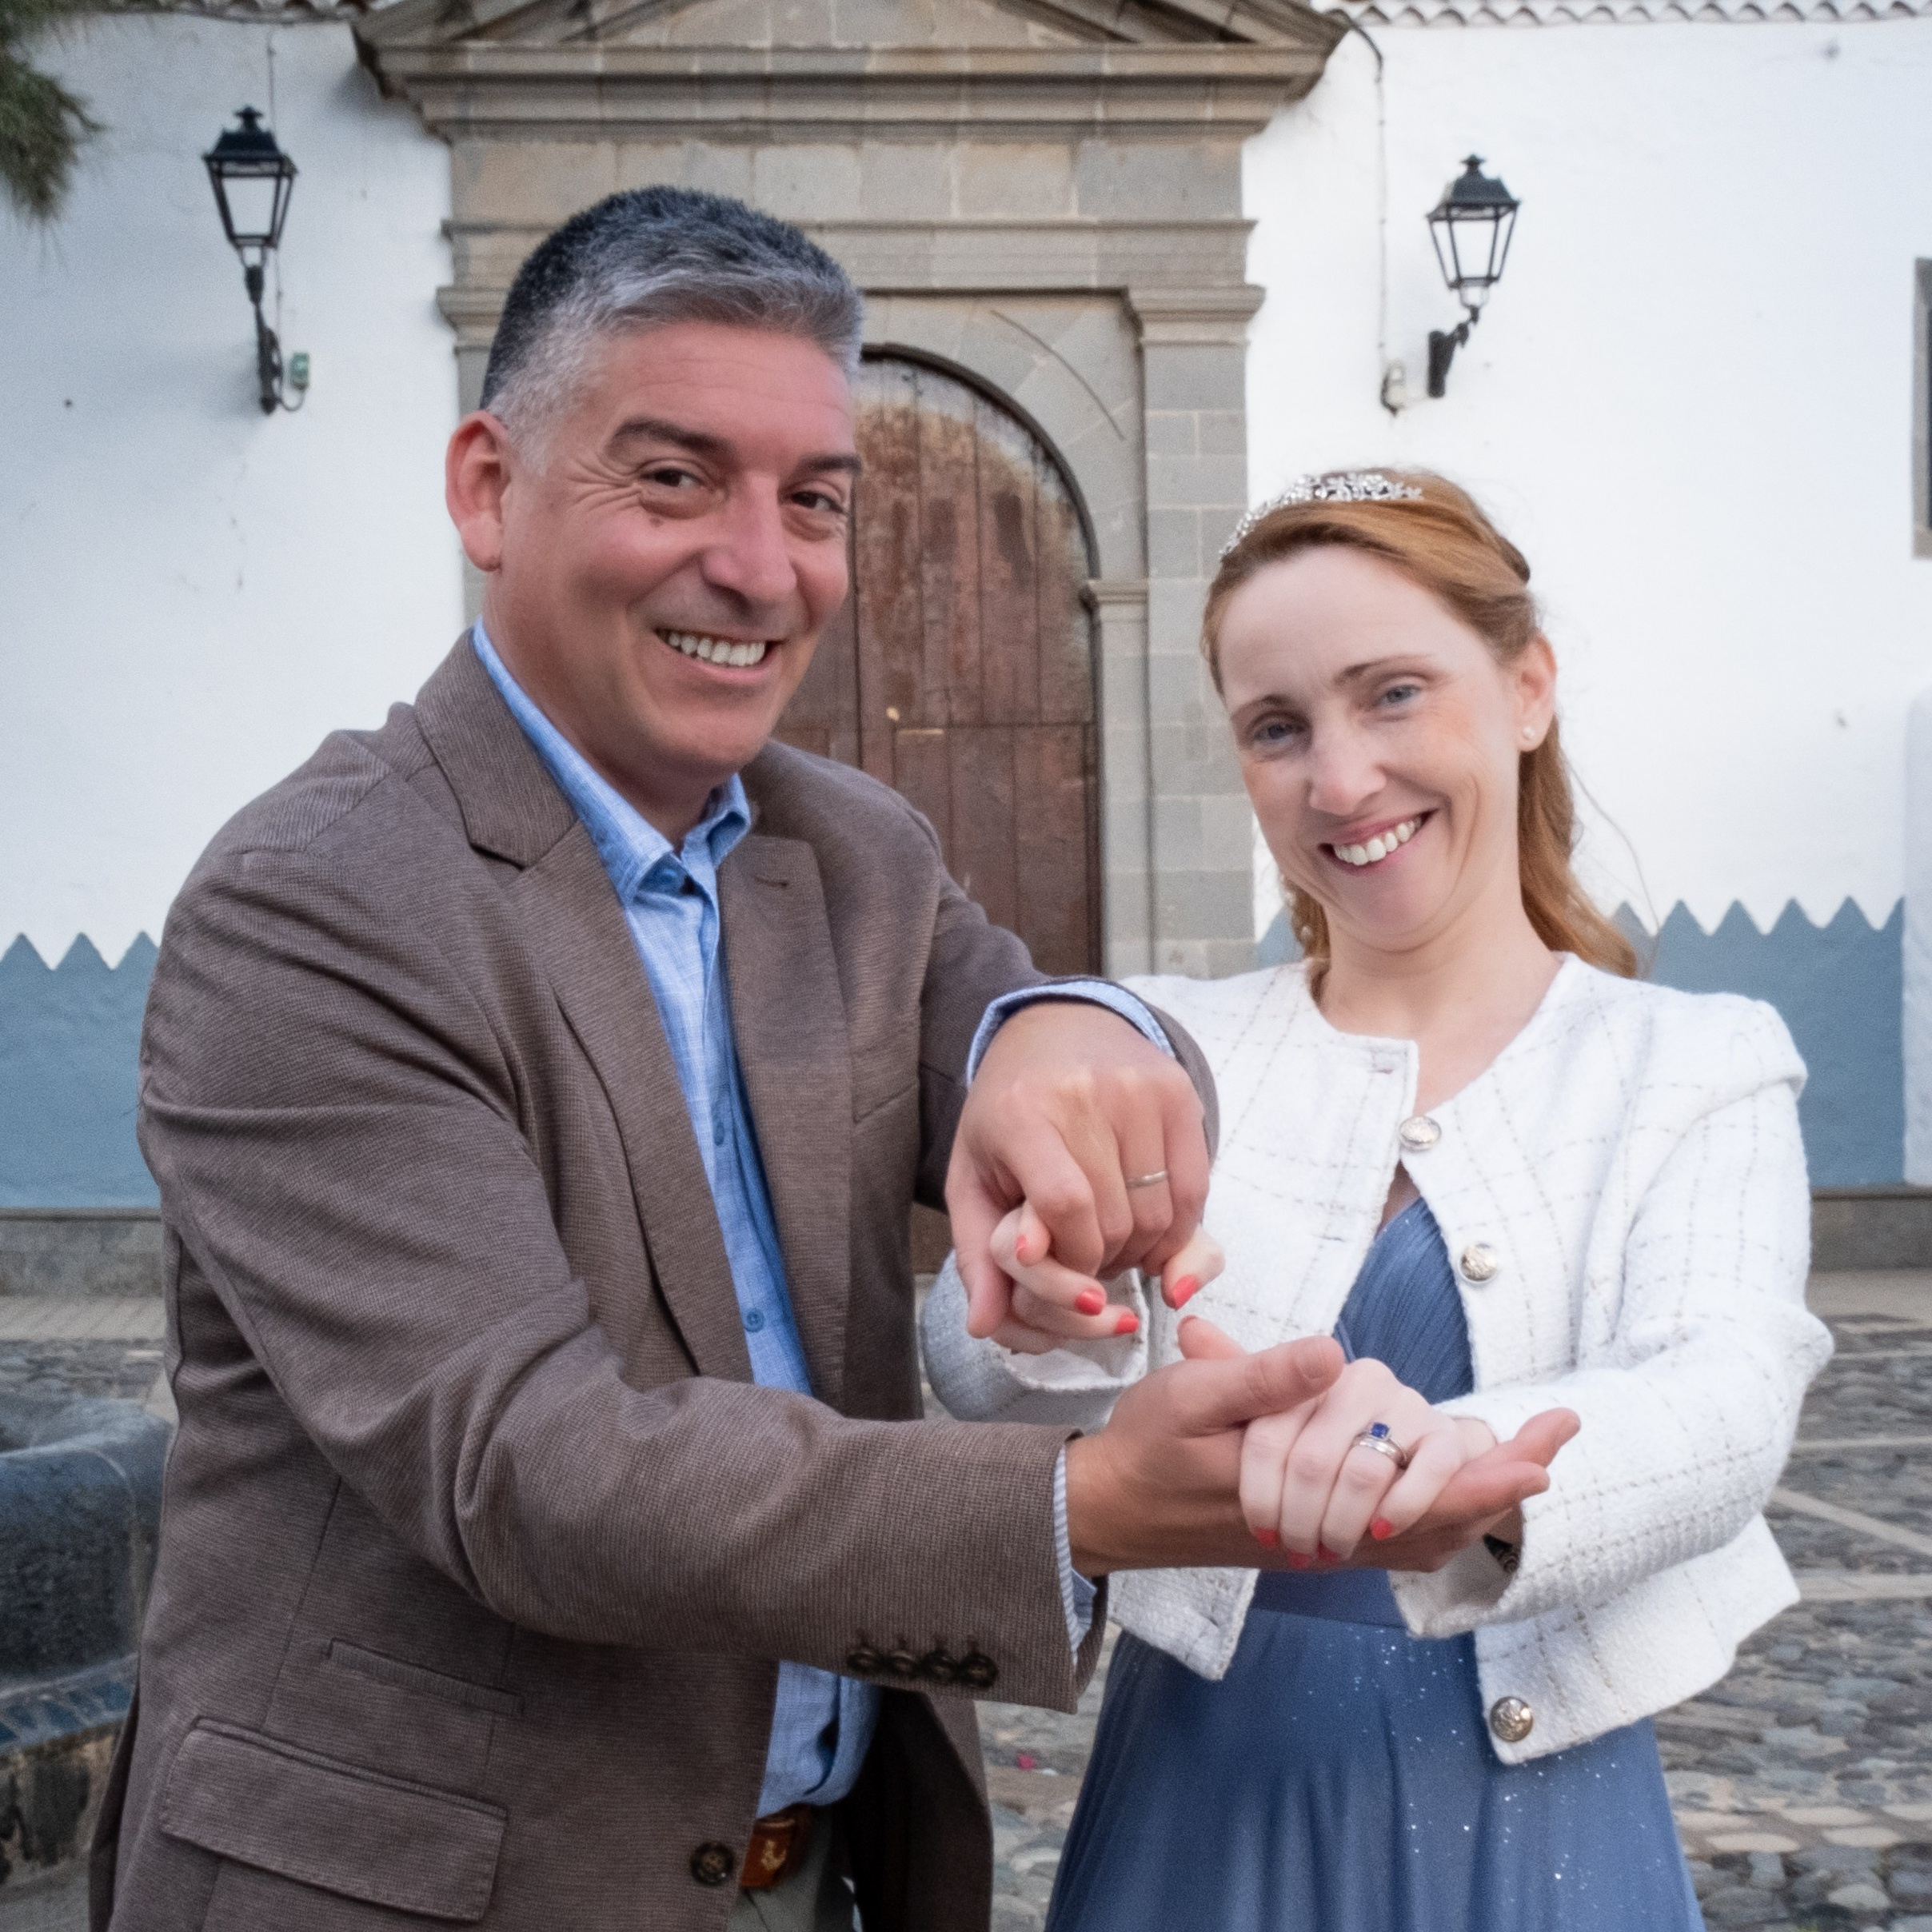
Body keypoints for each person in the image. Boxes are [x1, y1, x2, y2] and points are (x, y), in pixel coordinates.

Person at [94, 192, 1560, 1932]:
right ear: (488, 485)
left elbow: (1033, 1018)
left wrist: (1061, 1038)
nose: (760, 563)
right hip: (418, 1890)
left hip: (822, 1876)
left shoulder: (841, 843)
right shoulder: (316, 906)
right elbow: (533, 1470)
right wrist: (1084, 1499)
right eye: (672, 477)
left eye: (813, 500)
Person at [923, 469, 1832, 1932]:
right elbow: (968, 1366)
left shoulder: (1695, 1062)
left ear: (1528, 687)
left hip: (1535, 1816)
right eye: (1277, 728)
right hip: (1202, 1793)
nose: (1338, 781)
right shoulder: (1168, 1038)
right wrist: (1046, 1309)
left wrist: (1451, 1463)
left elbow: (1727, 1396)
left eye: (1393, 694)